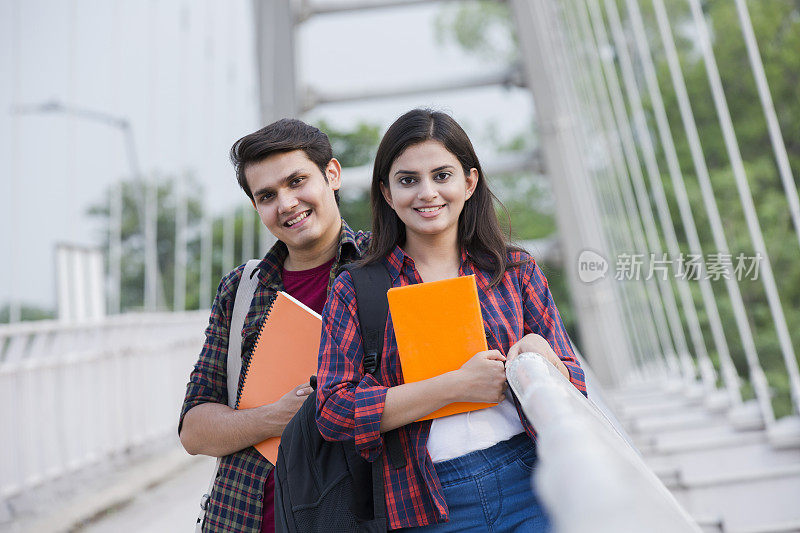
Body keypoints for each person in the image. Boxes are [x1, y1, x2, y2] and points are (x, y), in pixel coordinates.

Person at [315, 109, 587, 532]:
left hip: (530, 478)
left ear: (469, 182)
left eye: (442, 175)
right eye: (408, 180)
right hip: (426, 499)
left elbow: (574, 383)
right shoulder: (356, 289)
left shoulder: (514, 271)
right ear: (387, 193)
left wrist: (542, 356)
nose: (427, 193)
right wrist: (453, 387)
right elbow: (334, 410)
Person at [179, 119, 370, 533]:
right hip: (244, 519)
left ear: (332, 175)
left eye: (297, 181)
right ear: (256, 207)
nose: (286, 203)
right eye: (267, 195)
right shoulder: (241, 288)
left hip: (355, 516)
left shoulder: (387, 267)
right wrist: (275, 417)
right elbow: (194, 429)